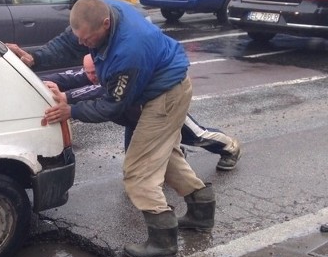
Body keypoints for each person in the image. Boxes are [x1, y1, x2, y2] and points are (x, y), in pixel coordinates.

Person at [8, 0, 217, 257]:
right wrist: (35, 57)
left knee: (139, 170)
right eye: (80, 38)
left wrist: (71, 110)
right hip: (158, 85)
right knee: (165, 155)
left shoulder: (129, 51)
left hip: (166, 94)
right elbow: (69, 41)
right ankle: (201, 210)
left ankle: (163, 240)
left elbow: (112, 106)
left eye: (89, 40)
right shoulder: (96, 14)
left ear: (106, 24)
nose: (84, 45)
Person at [41, 54, 242, 171]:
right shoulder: (91, 70)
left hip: (163, 110)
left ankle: (230, 147)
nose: (91, 76)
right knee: (133, 166)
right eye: (88, 72)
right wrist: (34, 80)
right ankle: (175, 152)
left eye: (95, 72)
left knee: (198, 136)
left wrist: (67, 98)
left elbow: (99, 91)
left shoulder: (117, 75)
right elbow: (66, 78)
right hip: (134, 120)